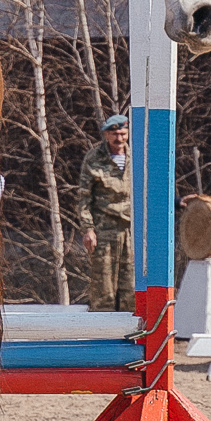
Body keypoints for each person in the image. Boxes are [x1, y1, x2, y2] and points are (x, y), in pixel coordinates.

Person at [80, 114, 133, 313]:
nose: (119, 139)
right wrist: (88, 229)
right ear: (106, 134)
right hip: (104, 231)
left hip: (129, 230)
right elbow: (84, 197)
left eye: (122, 133)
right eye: (114, 134)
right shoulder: (94, 159)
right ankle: (103, 335)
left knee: (131, 286)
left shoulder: (135, 157)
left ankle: (130, 335)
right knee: (104, 289)